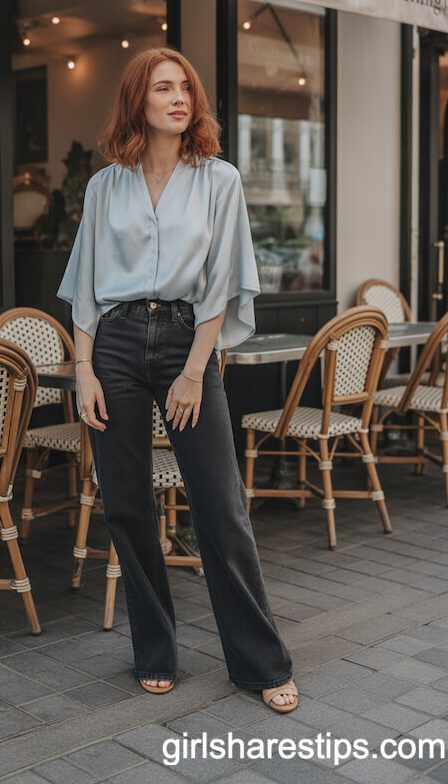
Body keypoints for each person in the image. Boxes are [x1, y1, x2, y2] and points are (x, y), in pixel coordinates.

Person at [57, 47, 297, 712]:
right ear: (138, 100)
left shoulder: (219, 179)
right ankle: (154, 651)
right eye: (163, 88)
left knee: (221, 505)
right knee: (127, 505)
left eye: (185, 88)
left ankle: (261, 663)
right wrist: (83, 369)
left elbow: (222, 281)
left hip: (186, 342)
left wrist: (196, 369)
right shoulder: (105, 186)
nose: (179, 98)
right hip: (113, 345)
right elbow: (85, 286)